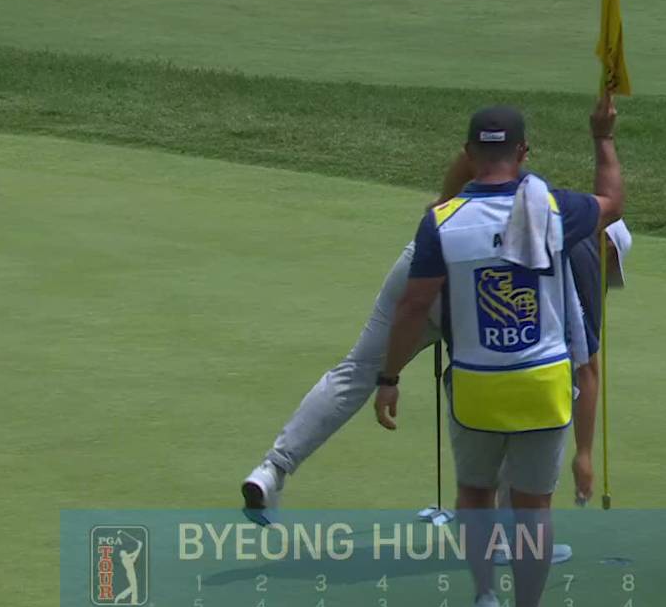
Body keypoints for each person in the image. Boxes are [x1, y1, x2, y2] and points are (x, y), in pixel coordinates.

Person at [373, 96, 624, 607]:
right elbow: (613, 203)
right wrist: (602, 137)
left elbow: (413, 306)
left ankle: (484, 597)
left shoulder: (441, 221)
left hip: (475, 386)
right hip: (540, 385)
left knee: (475, 494)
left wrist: (389, 377)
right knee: (533, 508)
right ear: (524, 153)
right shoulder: (554, 209)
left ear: (467, 155)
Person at [240, 162, 630, 519]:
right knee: (520, 391)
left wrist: (443, 201)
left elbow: (469, 155)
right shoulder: (585, 250)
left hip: (426, 258)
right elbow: (587, 368)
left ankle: (272, 469)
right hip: (470, 293)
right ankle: (507, 534)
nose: (606, 279)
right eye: (612, 269)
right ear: (608, 247)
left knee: (357, 369)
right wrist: (583, 453)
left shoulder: (537, 194)